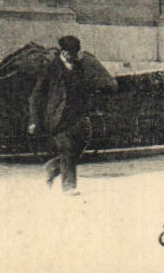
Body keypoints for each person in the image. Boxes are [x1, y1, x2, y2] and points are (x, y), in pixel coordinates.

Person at [29, 35, 113, 195]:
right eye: (71, 53)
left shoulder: (79, 67)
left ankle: (52, 168)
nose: (73, 57)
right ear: (64, 52)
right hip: (57, 116)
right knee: (67, 148)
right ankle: (69, 186)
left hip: (77, 115)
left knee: (78, 147)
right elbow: (36, 95)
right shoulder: (50, 68)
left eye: (75, 54)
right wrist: (33, 119)